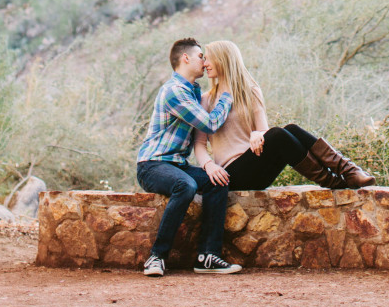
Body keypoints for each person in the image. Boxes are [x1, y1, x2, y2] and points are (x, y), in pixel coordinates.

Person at [193, 40, 375, 192]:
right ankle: (338, 180)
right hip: (230, 175)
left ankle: (348, 173)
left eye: (208, 59)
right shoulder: (206, 100)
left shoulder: (251, 91)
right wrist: (209, 166)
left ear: (223, 59)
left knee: (290, 129)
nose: (204, 64)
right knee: (280, 133)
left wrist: (258, 134)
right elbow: (200, 144)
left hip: (258, 167)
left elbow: (264, 131)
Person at [136, 37, 242, 277]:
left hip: (177, 165)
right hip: (152, 165)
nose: (204, 62)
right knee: (185, 185)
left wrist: (209, 166)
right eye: (200, 56)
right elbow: (210, 123)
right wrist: (226, 96)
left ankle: (208, 256)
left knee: (218, 181)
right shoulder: (175, 91)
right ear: (186, 58)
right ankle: (156, 257)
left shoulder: (193, 92)